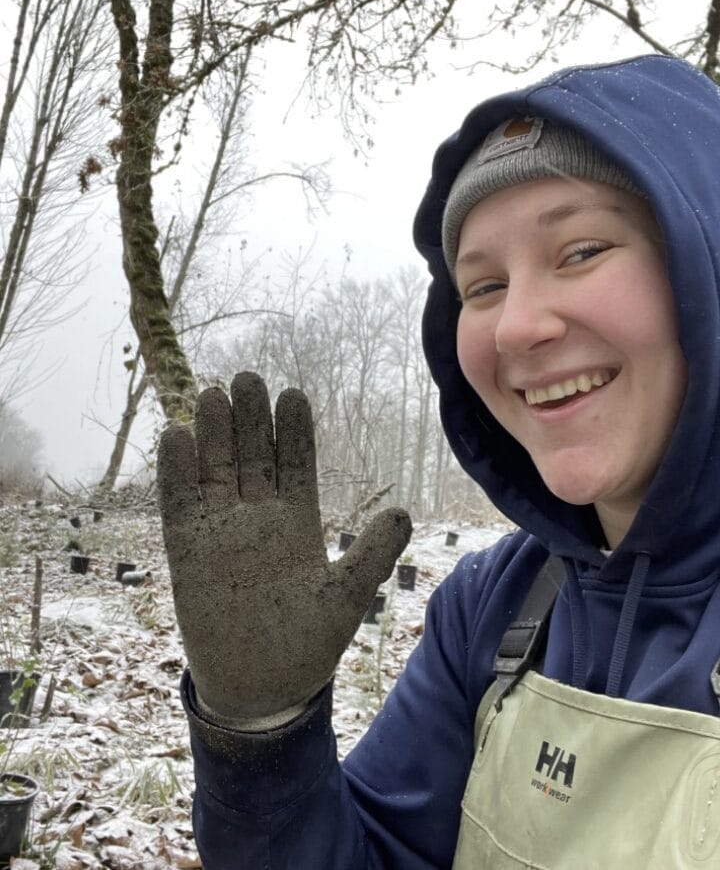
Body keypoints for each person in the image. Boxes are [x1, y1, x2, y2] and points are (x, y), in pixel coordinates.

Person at [157, 53, 720, 869]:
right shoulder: (496, 607)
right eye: (482, 286)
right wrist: (261, 734)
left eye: (581, 249)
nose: (517, 325)